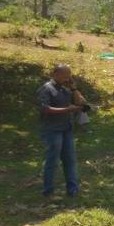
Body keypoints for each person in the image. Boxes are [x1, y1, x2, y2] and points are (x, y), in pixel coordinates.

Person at [37, 64, 84, 197]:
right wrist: (68, 110)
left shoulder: (66, 89)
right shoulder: (46, 89)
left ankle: (72, 190)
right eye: (64, 75)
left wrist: (74, 88)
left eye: (69, 75)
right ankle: (48, 191)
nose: (67, 78)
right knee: (52, 161)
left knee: (70, 160)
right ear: (55, 74)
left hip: (67, 129)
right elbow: (45, 109)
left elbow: (80, 102)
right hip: (52, 130)